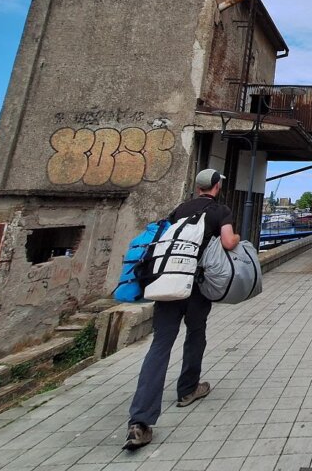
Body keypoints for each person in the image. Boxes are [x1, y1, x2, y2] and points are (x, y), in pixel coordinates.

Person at [123, 168, 240, 450]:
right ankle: (187, 389)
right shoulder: (219, 211)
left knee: (160, 345)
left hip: (166, 283)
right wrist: (237, 240)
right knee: (196, 333)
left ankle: (140, 421)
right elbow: (227, 242)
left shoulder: (178, 210)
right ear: (216, 187)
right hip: (196, 285)